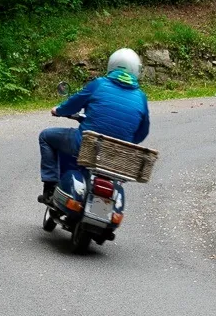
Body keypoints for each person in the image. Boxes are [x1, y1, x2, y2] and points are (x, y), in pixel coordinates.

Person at [39, 48, 151, 203]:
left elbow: (73, 105)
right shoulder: (141, 97)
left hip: (86, 145)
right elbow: (142, 132)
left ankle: (50, 186)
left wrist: (58, 110)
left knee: (46, 136)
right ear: (136, 70)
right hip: (117, 155)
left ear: (112, 65)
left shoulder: (99, 84)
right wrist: (124, 142)